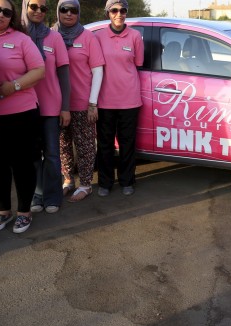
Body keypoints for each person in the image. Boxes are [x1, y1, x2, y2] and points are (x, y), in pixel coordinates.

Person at [0, 0, 45, 233]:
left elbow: (39, 70)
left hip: (21, 113)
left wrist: (13, 86)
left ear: (12, 17)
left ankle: (24, 211)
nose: (0, 15)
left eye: (6, 12)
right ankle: (3, 211)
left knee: (22, 164)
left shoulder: (21, 40)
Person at [21, 0, 70, 214]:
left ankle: (52, 195)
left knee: (51, 154)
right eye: (34, 6)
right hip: (26, 107)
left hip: (50, 106)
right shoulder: (18, 36)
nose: (39, 11)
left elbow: (64, 75)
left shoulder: (54, 37)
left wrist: (65, 107)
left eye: (43, 8)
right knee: (31, 155)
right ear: (25, 7)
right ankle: (37, 194)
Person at [54, 0, 105, 202]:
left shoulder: (87, 37)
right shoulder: (51, 35)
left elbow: (98, 70)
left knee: (84, 145)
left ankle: (85, 184)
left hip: (82, 102)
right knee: (62, 145)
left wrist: (93, 103)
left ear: (79, 13)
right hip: (57, 103)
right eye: (64, 10)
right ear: (58, 12)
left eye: (73, 10)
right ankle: (68, 180)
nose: (68, 14)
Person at [94, 0, 143, 197]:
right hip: (105, 100)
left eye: (123, 10)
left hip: (130, 100)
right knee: (105, 144)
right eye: (114, 10)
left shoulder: (135, 36)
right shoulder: (97, 37)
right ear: (108, 13)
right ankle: (105, 183)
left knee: (127, 143)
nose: (119, 14)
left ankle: (127, 180)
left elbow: (138, 62)